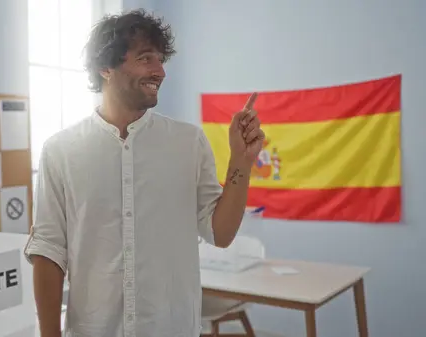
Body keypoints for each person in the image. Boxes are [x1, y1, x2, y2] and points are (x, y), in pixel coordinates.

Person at [24, 9, 265, 337]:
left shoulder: (188, 142)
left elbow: (220, 234)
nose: (160, 71)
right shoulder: (61, 151)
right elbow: (49, 252)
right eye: (146, 58)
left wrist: (241, 162)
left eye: (161, 59)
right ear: (106, 67)